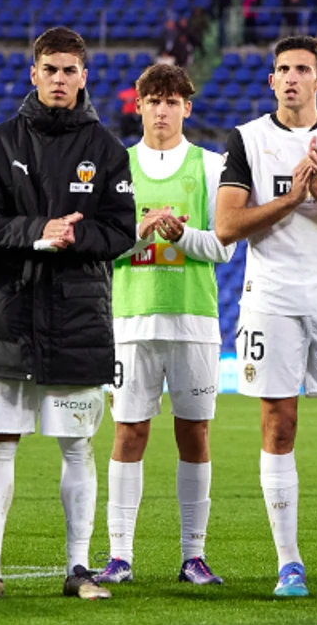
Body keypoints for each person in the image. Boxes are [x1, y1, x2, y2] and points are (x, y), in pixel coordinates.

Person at [0, 27, 138, 602]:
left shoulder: (107, 151)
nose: (59, 80)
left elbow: (122, 231)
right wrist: (39, 233)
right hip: (10, 315)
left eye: (69, 71)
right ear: (33, 74)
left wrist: (71, 239)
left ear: (85, 77)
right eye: (50, 70)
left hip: (78, 319)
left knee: (76, 447)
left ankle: (79, 569)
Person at [213, 35, 317, 599]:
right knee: (278, 425)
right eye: (282, 69)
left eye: (302, 69)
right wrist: (290, 198)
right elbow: (228, 226)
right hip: (273, 299)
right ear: (271, 80)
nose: (290, 78)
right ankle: (290, 563)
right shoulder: (248, 139)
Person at [95, 64, 236, 589]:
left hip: (194, 319)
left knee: (194, 434)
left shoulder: (211, 165)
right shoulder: (117, 164)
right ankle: (119, 555)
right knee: (129, 433)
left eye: (172, 101)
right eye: (153, 100)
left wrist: (180, 236)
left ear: (187, 108)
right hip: (132, 321)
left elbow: (224, 246)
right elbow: (102, 250)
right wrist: (139, 231)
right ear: (139, 106)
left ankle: (193, 556)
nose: (162, 110)